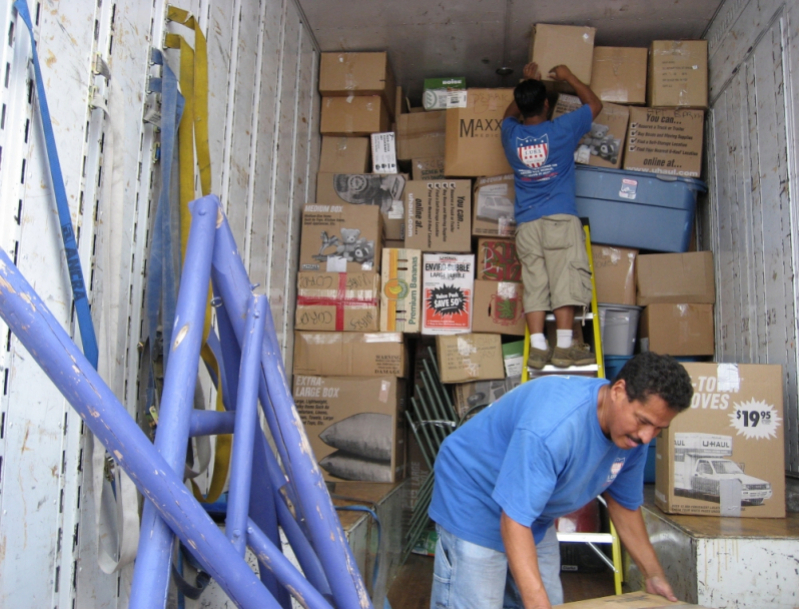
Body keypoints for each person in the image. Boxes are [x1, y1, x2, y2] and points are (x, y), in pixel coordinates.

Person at [428, 352, 694, 609]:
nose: (647, 437)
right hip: (474, 494)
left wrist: (653, 575)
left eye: (659, 428)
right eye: (643, 421)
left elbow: (624, 506)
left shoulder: (631, 438)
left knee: (548, 598)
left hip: (530, 511)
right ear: (618, 391)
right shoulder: (554, 429)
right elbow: (514, 520)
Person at [501, 62, 603, 369]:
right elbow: (594, 104)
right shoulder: (562, 129)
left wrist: (525, 82)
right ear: (547, 105)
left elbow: (507, 115)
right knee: (565, 280)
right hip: (559, 217)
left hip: (527, 223)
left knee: (535, 283)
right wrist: (569, 76)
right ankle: (563, 348)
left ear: (522, 107)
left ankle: (538, 348)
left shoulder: (510, 134)